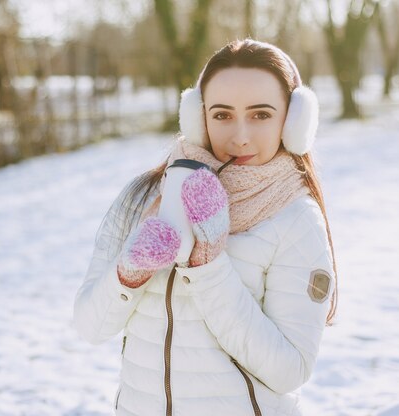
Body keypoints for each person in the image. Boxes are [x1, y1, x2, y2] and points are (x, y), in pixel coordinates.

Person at [73, 38, 338, 416]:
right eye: (222, 115)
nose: (240, 135)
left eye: (261, 115)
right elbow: (89, 327)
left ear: (294, 121)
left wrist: (209, 263)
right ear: (197, 118)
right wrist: (128, 273)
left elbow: (289, 371)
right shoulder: (145, 198)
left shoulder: (295, 219)